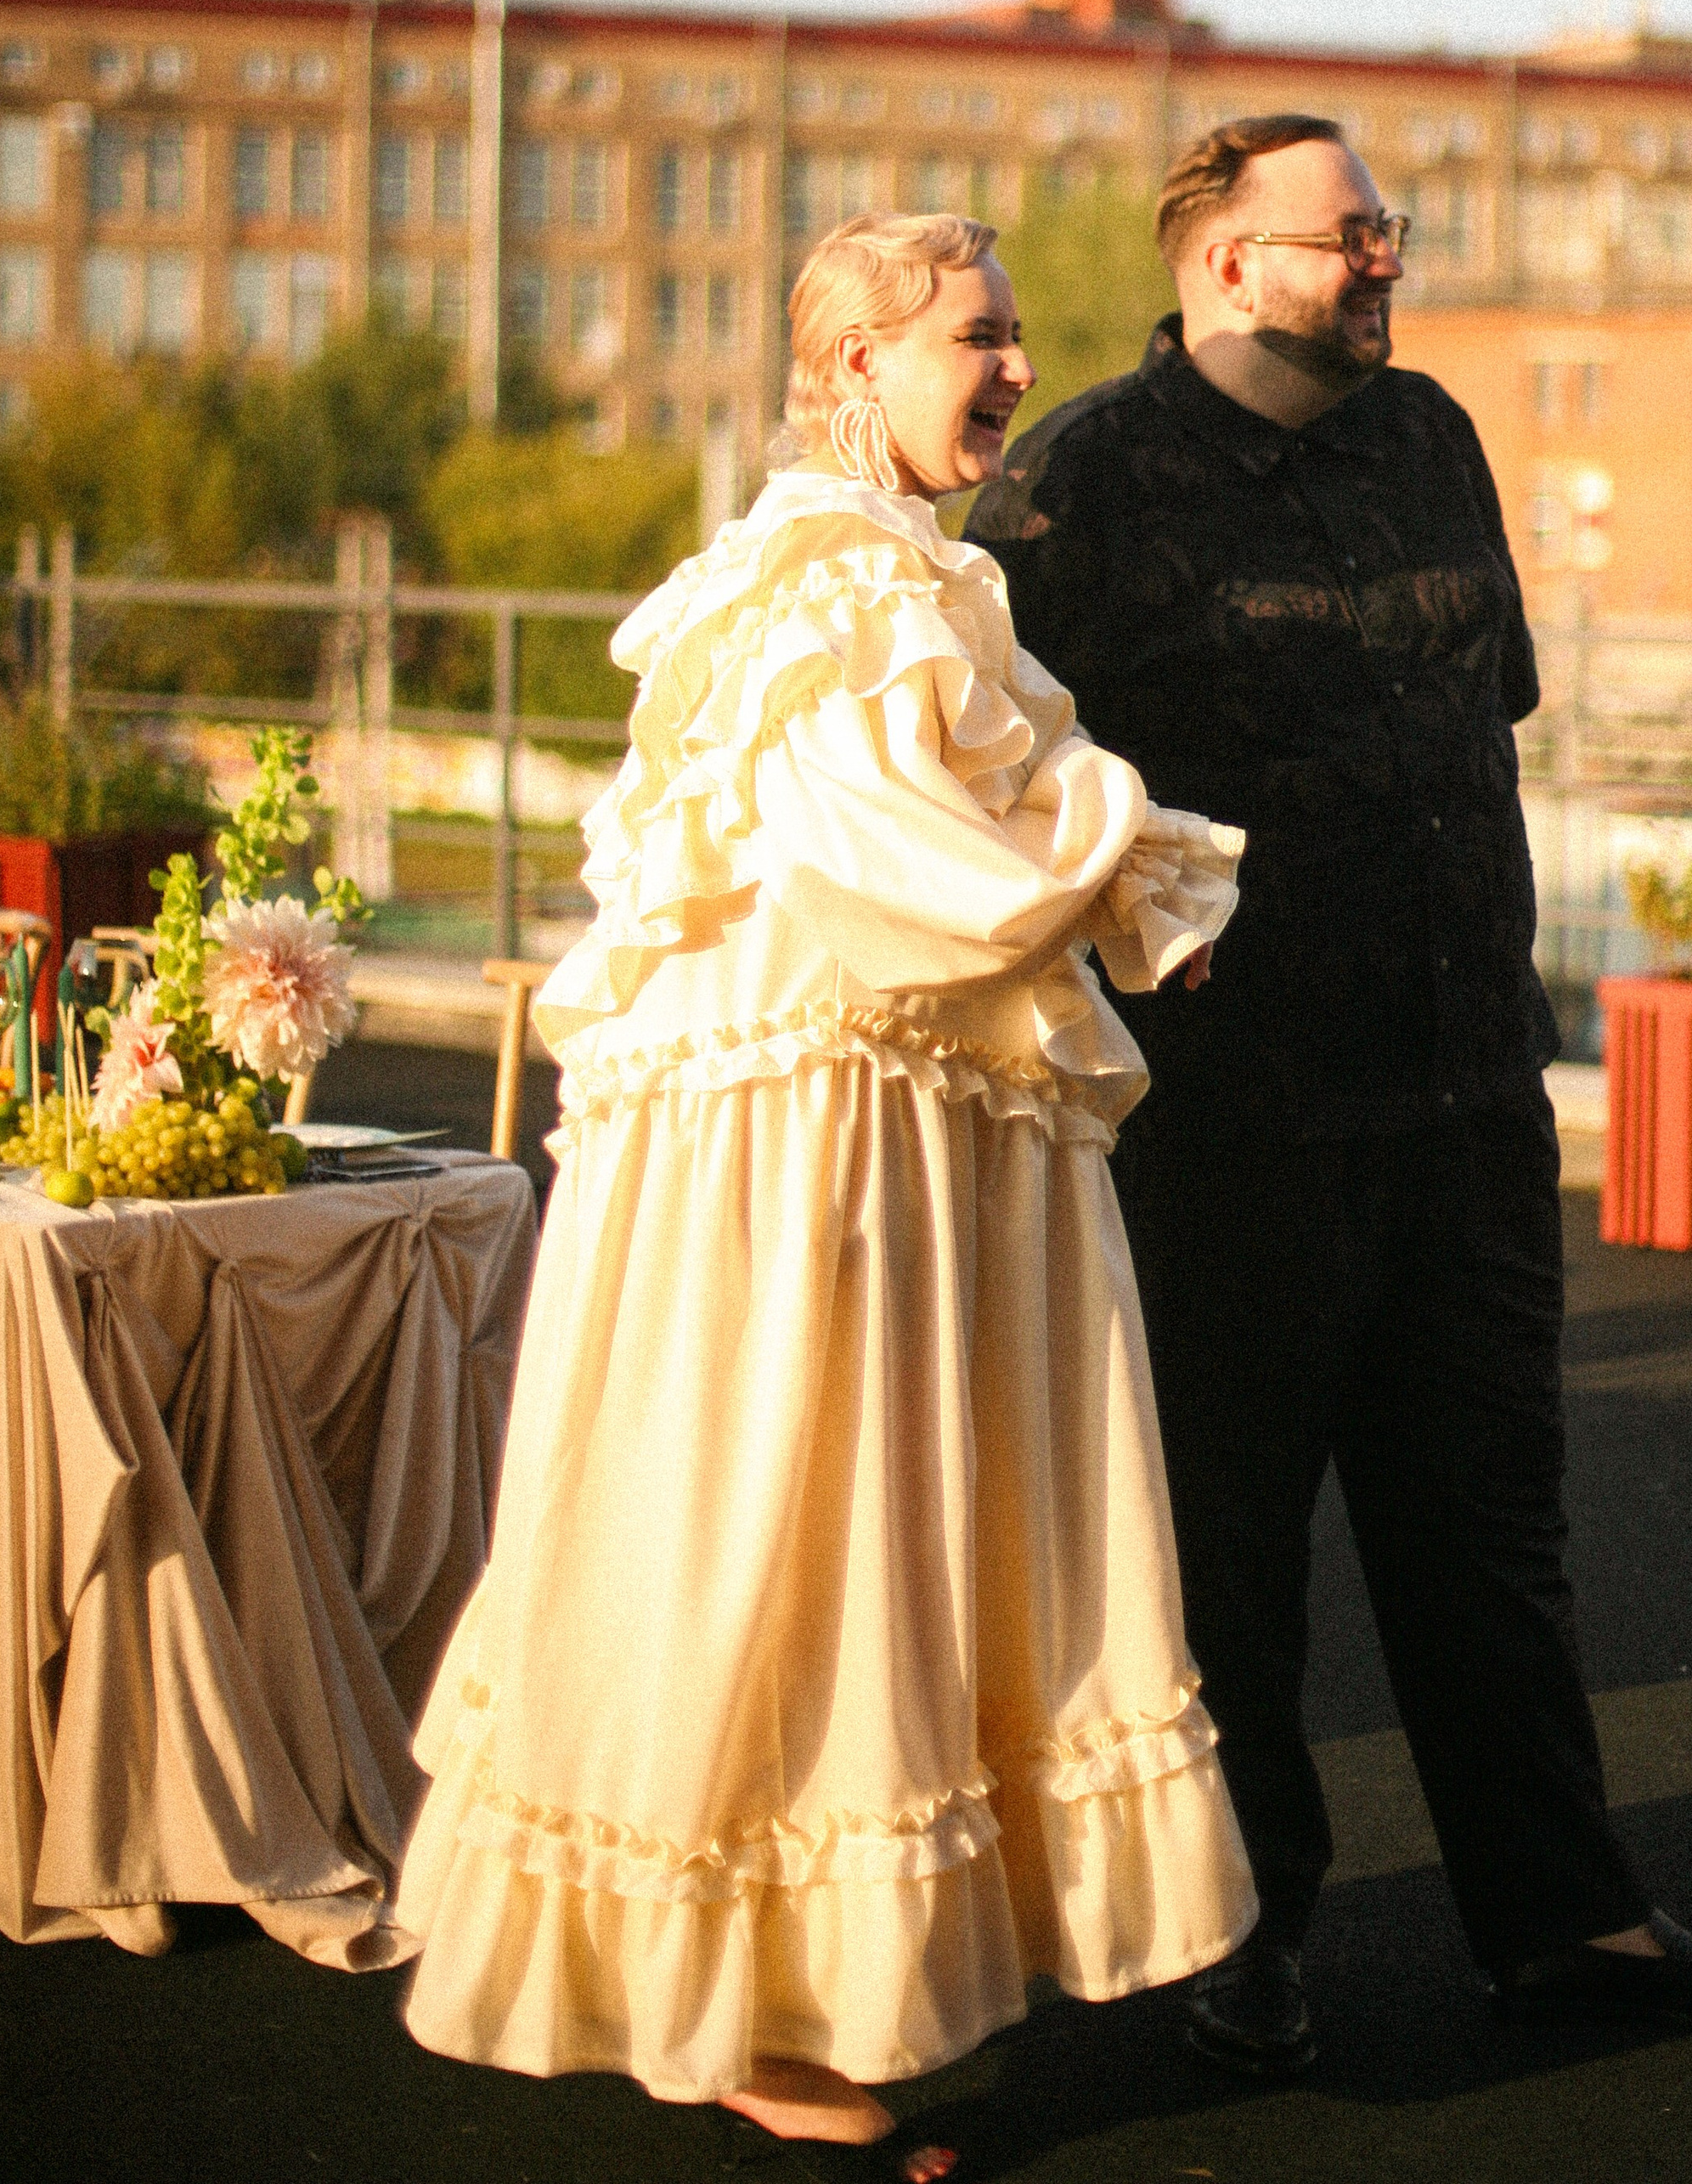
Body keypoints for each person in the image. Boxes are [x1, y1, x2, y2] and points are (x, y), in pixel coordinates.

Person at [397, 211, 1257, 2170]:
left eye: (1017, 331)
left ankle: (768, 1989)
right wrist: (1117, 850)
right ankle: (732, 2010)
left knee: (826, 1543)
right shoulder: (829, 580)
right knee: (790, 1528)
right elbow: (892, 847)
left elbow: (969, 799)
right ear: (853, 364)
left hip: (852, 1123)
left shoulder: (886, 574)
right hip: (807, 1152)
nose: (1016, 366)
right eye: (978, 334)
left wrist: (1120, 873)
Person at [966, 116, 1692, 2074]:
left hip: (1461, 1093)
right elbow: (986, 783)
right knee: (1229, 1544)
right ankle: (1238, 1936)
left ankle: (1565, 1925)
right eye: (1342, 236)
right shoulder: (1079, 485)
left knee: (1489, 1530)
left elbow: (1479, 708)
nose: (1380, 262)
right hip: (1228, 1124)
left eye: (1385, 232)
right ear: (1218, 263)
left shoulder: (1428, 435)